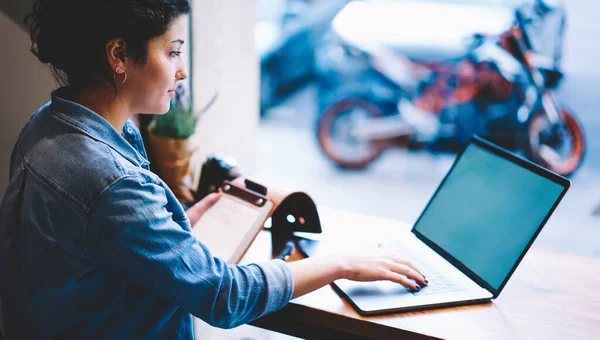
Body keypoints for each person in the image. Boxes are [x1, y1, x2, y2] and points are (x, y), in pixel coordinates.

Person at [0, 0, 426, 338]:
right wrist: (344, 263)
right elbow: (224, 296)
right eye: (172, 52)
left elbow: (96, 251)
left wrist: (179, 224)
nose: (182, 71)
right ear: (119, 55)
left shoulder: (46, 125)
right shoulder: (111, 180)